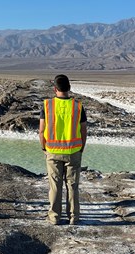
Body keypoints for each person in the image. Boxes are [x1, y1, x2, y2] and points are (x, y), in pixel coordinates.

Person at [39, 74, 87, 225]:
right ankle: (73, 217)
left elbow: (41, 131)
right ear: (69, 88)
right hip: (73, 153)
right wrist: (81, 149)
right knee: (72, 186)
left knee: (55, 185)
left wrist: (44, 148)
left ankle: (54, 217)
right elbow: (84, 130)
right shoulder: (78, 106)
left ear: (55, 89)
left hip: (52, 152)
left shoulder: (47, 105)